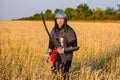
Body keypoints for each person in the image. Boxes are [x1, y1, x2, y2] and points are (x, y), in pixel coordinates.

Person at [45, 9, 79, 80]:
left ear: (65, 20)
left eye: (62, 19)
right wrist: (48, 54)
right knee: (55, 74)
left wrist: (64, 49)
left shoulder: (69, 31)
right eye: (58, 19)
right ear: (56, 20)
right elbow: (51, 44)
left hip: (67, 57)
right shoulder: (54, 30)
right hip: (57, 56)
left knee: (64, 75)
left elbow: (75, 46)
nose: (60, 21)